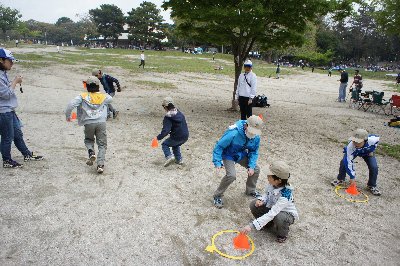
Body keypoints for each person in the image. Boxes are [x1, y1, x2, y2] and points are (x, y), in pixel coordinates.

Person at [0, 48, 44, 168]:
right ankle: (7, 160)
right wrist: (14, 81)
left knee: (17, 134)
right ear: (1, 60)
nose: (12, 63)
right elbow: (6, 94)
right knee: (7, 137)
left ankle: (27, 154)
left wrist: (12, 82)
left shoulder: (3, 73)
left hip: (9, 110)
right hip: (3, 112)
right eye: (10, 61)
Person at [241, 161, 298, 243]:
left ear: (278, 180)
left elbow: (273, 213)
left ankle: (282, 233)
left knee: (279, 217)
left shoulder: (285, 195)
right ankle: (267, 224)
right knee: (254, 204)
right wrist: (262, 200)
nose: (267, 177)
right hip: (273, 208)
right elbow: (267, 194)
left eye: (269, 176)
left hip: (284, 213)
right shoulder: (272, 184)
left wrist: (251, 225)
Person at [212, 115, 263, 208]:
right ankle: (217, 195)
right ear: (246, 126)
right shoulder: (233, 133)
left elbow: (254, 151)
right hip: (228, 154)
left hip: (240, 154)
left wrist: (251, 166)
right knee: (231, 175)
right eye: (251, 131)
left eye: (255, 132)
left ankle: (250, 191)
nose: (253, 134)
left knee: (255, 169)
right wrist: (217, 161)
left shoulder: (256, 137)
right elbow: (219, 146)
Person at [65, 77, 112, 174]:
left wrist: (68, 116)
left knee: (88, 140)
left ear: (87, 86)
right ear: (98, 86)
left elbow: (71, 104)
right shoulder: (103, 97)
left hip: (88, 123)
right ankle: (100, 165)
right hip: (101, 123)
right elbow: (110, 99)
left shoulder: (82, 96)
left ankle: (91, 151)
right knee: (102, 144)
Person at [331, 128, 381, 196]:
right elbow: (348, 162)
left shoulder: (373, 139)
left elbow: (375, 144)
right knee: (344, 162)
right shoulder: (350, 146)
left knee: (374, 167)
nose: (355, 143)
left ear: (365, 140)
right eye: (354, 141)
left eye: (358, 142)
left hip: (367, 152)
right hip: (355, 152)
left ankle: (371, 185)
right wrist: (352, 176)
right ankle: (340, 179)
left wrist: (370, 150)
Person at [156, 97, 189, 167]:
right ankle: (179, 160)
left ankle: (169, 157)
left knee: (165, 144)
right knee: (175, 145)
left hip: (177, 136)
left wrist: (158, 137)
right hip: (185, 135)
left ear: (165, 107)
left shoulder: (168, 117)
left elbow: (166, 131)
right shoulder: (179, 113)